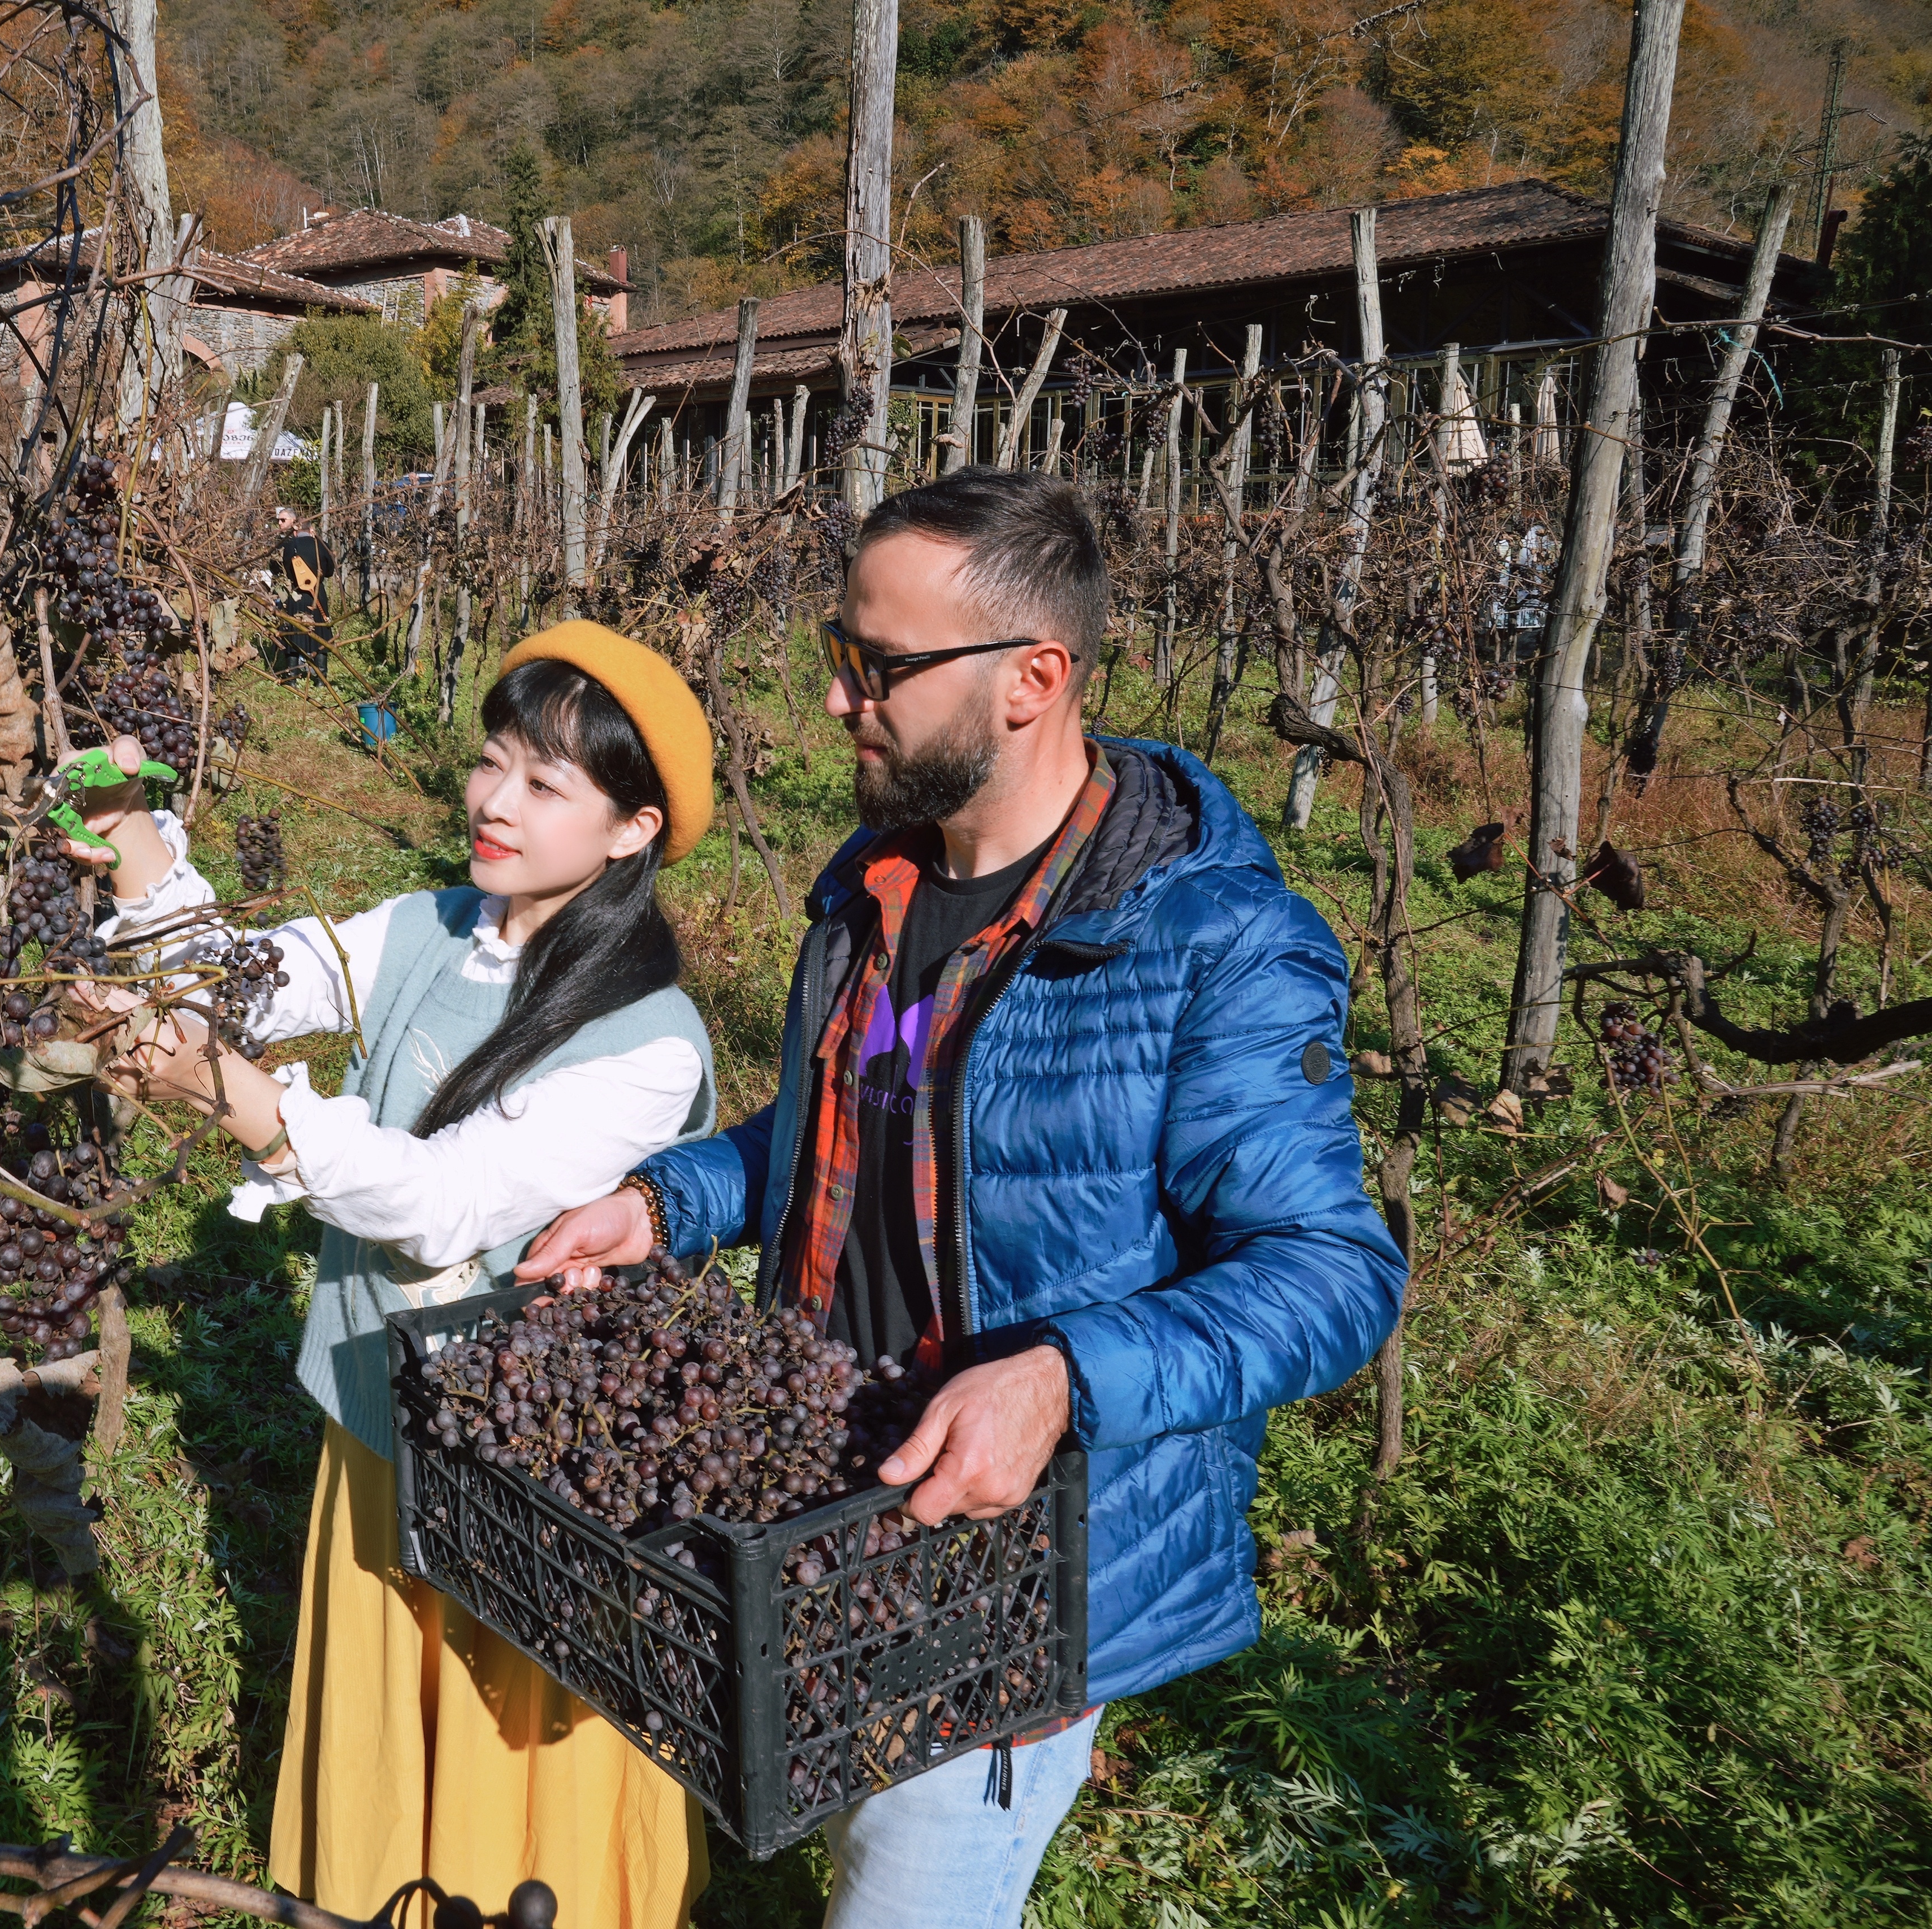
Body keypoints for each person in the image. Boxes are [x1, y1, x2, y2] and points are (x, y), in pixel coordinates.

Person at [518, 469, 1405, 1928]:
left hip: (1012, 1560)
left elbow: (1330, 1268)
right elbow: (824, 1140)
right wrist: (667, 1203)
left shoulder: (1212, 943)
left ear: (1032, 679)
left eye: (879, 668)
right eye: (838, 655)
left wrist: (1064, 1374)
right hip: (820, 1477)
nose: (836, 701)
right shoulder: (868, 883)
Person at [76, 621, 722, 1929]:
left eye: (547, 785)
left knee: (509, 1753)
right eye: (493, 762)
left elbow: (441, 1209)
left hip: (530, 1479)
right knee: (386, 1719)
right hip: (383, 1419)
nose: (494, 800)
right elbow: (244, 980)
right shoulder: (431, 928)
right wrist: (129, 825)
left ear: (630, 830)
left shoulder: (645, 1046)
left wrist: (244, 1100)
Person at [270, 502, 334, 681]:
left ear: (297, 529)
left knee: (292, 633)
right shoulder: (321, 544)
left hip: (294, 594)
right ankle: (321, 678)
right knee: (320, 633)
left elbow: (278, 570)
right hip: (317, 595)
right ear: (312, 530)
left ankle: (292, 678)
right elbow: (329, 571)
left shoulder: (287, 546)